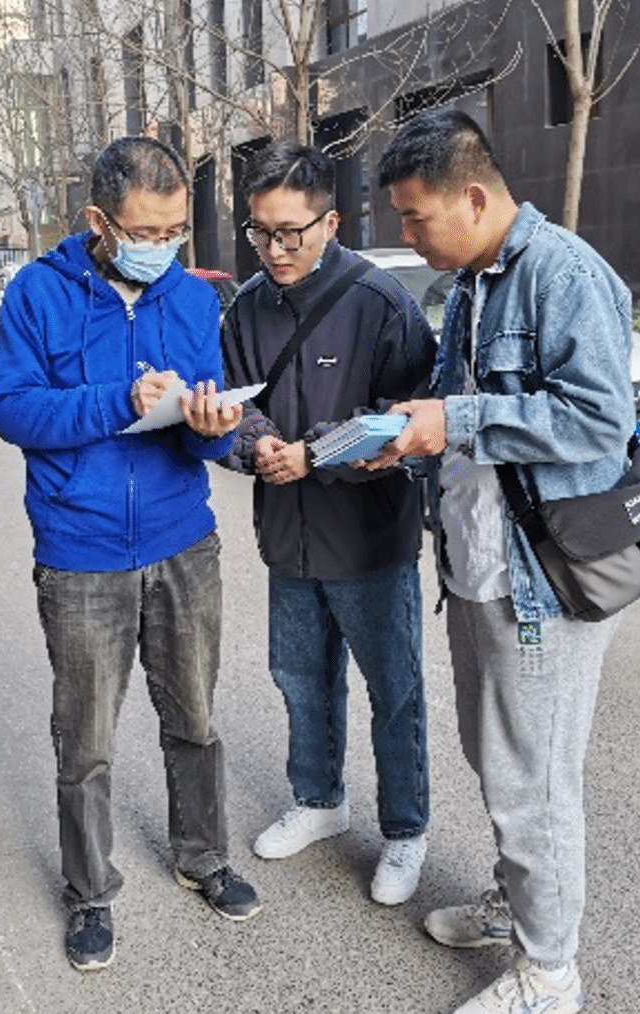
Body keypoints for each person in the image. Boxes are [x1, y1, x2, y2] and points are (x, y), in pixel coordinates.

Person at [369, 109, 636, 1014]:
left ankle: (550, 974)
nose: (409, 237)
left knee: (536, 781)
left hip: (541, 579)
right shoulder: (472, 285)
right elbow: (459, 412)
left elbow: (600, 422)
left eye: (416, 219)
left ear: (474, 198)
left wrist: (458, 419)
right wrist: (407, 436)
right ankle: (516, 908)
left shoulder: (565, 275)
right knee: (496, 760)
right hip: (477, 562)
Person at [0, 136, 261, 973]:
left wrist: (215, 428)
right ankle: (90, 892)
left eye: (176, 230)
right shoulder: (38, 293)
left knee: (195, 719)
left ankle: (203, 856)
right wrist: (118, 400)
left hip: (183, 541)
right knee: (86, 738)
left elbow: (206, 431)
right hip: (81, 552)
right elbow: (14, 412)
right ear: (99, 221)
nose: (162, 247)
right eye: (146, 232)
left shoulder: (191, 298)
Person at [218, 142, 436, 905]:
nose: (275, 249)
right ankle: (318, 800)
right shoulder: (247, 308)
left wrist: (316, 453)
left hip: (371, 540)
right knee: (300, 679)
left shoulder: (381, 303)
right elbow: (232, 402)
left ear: (331, 222)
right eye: (261, 232)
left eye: (292, 233)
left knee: (394, 690)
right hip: (288, 536)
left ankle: (405, 830)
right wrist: (256, 444)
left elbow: (409, 421)